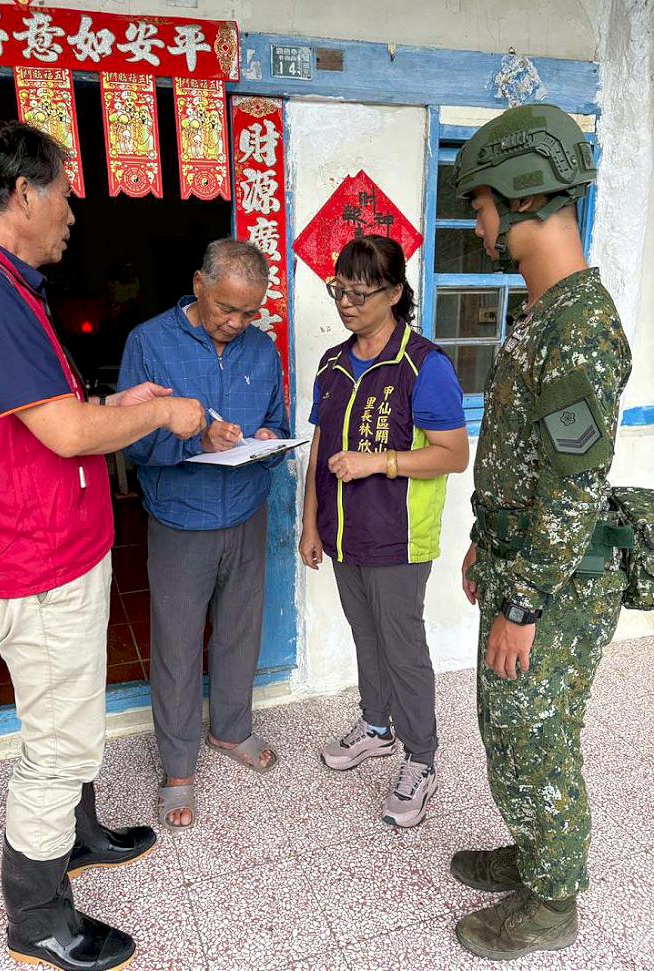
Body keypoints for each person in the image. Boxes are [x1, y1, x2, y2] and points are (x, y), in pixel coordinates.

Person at [0, 121, 206, 971]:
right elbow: (66, 432)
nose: (73, 216)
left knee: (73, 711)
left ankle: (77, 833)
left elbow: (47, 411)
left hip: (53, 543)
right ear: (24, 194)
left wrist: (122, 401)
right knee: (56, 741)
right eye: (64, 197)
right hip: (34, 556)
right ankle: (38, 915)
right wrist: (163, 413)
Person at [451, 104, 632, 960]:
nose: (478, 225)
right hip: (522, 562)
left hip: (556, 584)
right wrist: (486, 540)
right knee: (510, 726)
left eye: (481, 205)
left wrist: (521, 602)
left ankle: (553, 900)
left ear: (523, 195)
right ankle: (532, 850)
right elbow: (527, 459)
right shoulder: (546, 315)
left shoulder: (579, 328)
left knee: (538, 736)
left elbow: (574, 487)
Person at [118, 238, 290, 831]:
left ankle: (232, 730)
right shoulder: (149, 343)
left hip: (246, 512)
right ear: (199, 284)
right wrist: (195, 440)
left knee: (241, 631)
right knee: (177, 646)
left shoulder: (261, 350)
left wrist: (267, 442)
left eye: (249, 312)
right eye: (226, 308)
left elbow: (277, 422)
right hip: (180, 520)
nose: (237, 323)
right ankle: (177, 768)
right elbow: (131, 440)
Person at [299, 235, 468, 826]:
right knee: (366, 636)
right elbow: (320, 448)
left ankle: (421, 758)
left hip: (398, 537)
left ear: (395, 294)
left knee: (402, 648)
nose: (345, 303)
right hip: (344, 534)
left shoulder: (425, 365)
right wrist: (310, 523)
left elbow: (453, 455)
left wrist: (380, 462)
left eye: (359, 292)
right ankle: (376, 728)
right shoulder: (332, 364)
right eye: (338, 290)